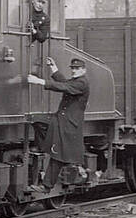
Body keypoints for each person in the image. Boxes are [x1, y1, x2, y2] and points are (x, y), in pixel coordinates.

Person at [26, 54, 91, 192]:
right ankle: (46, 148)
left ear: (83, 70)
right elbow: (65, 83)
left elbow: (65, 87)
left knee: (58, 156)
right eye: (72, 68)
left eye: (77, 68)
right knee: (37, 121)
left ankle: (46, 184)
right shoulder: (77, 81)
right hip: (61, 121)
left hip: (68, 124)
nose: (74, 70)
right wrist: (54, 68)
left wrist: (40, 81)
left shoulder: (82, 83)